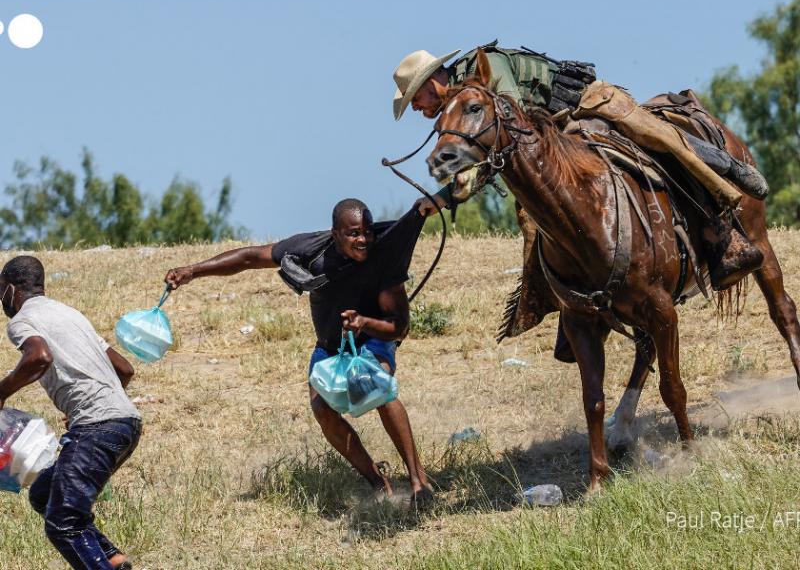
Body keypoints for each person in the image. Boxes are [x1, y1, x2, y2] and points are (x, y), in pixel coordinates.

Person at [392, 41, 768, 353]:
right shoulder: (458, 108)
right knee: (538, 216)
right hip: (557, 139)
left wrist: (446, 195)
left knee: (660, 143)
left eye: (415, 97)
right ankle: (571, 301)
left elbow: (511, 128)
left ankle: (725, 218)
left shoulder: (483, 70)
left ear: (432, 81)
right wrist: (444, 196)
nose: (415, 107)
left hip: (588, 107)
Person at [164, 196, 445, 504]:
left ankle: (419, 481)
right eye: (353, 233)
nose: (363, 239)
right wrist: (193, 271)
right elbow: (249, 257)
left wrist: (364, 322)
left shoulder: (385, 255)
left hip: (374, 338)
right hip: (330, 347)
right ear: (335, 233)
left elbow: (399, 327)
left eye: (367, 231)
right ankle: (378, 482)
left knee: (375, 386)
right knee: (322, 410)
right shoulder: (310, 249)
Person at [0, 256, 140, 570]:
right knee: (43, 493)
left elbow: (39, 356)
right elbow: (125, 369)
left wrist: (2, 392)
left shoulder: (22, 319)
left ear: (10, 289)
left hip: (97, 426)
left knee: (63, 524)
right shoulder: (71, 314)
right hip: (126, 423)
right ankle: (112, 558)